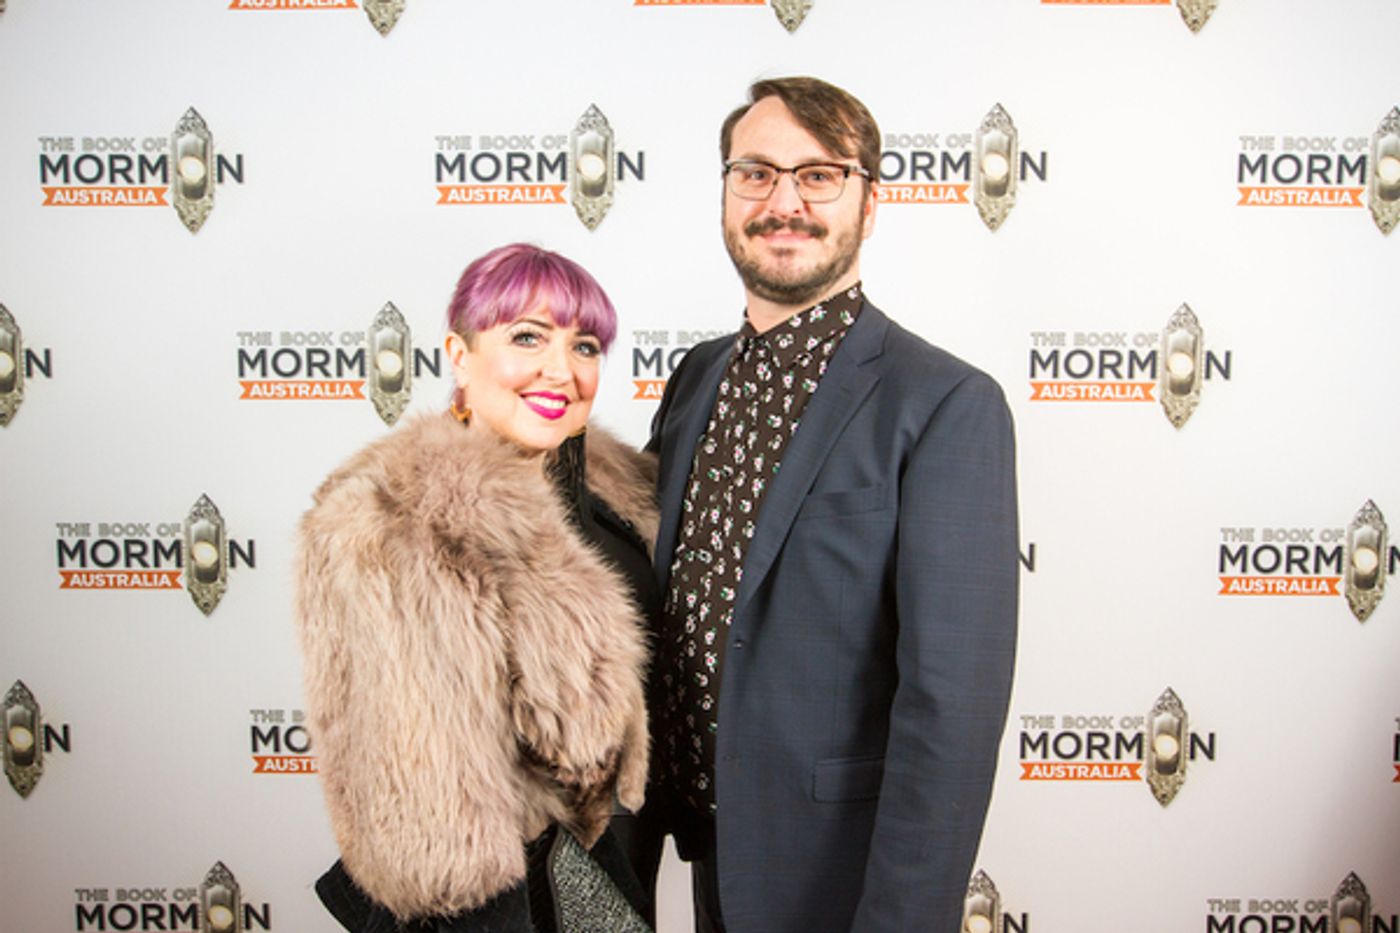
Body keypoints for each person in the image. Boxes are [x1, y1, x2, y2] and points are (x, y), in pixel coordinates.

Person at [640, 77, 1020, 932]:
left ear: (868, 203)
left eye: (819, 175)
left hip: (838, 879)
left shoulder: (947, 404)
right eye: (757, 173)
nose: (784, 201)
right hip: (703, 863)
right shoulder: (696, 377)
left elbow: (951, 710)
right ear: (727, 192)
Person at [294, 243, 658, 933]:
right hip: (505, 906)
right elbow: (437, 822)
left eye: (585, 345)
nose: (563, 368)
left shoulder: (618, 491)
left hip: (616, 877)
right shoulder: (393, 520)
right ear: (458, 353)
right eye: (528, 336)